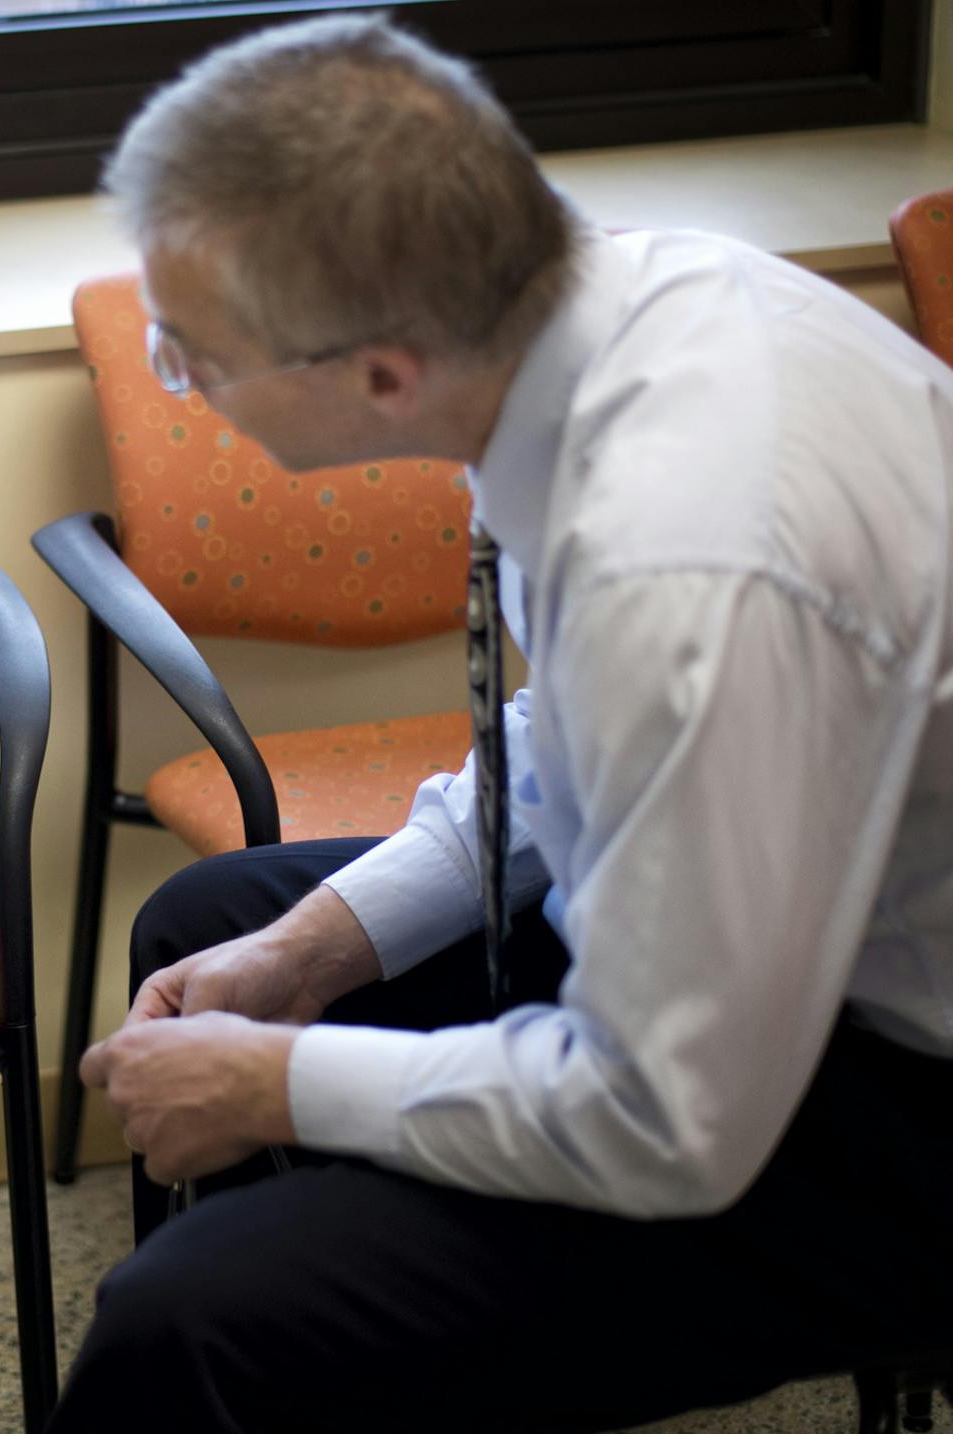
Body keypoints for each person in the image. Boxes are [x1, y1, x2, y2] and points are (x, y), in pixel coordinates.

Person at [53, 16, 953, 1433]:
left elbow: (668, 1119)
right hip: (778, 916)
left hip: (899, 1087)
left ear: (381, 375)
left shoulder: (685, 552)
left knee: (189, 1326)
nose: (179, 377)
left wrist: (285, 1084)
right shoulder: (588, 316)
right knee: (222, 922)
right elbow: (570, 736)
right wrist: (309, 956)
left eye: (194, 355)